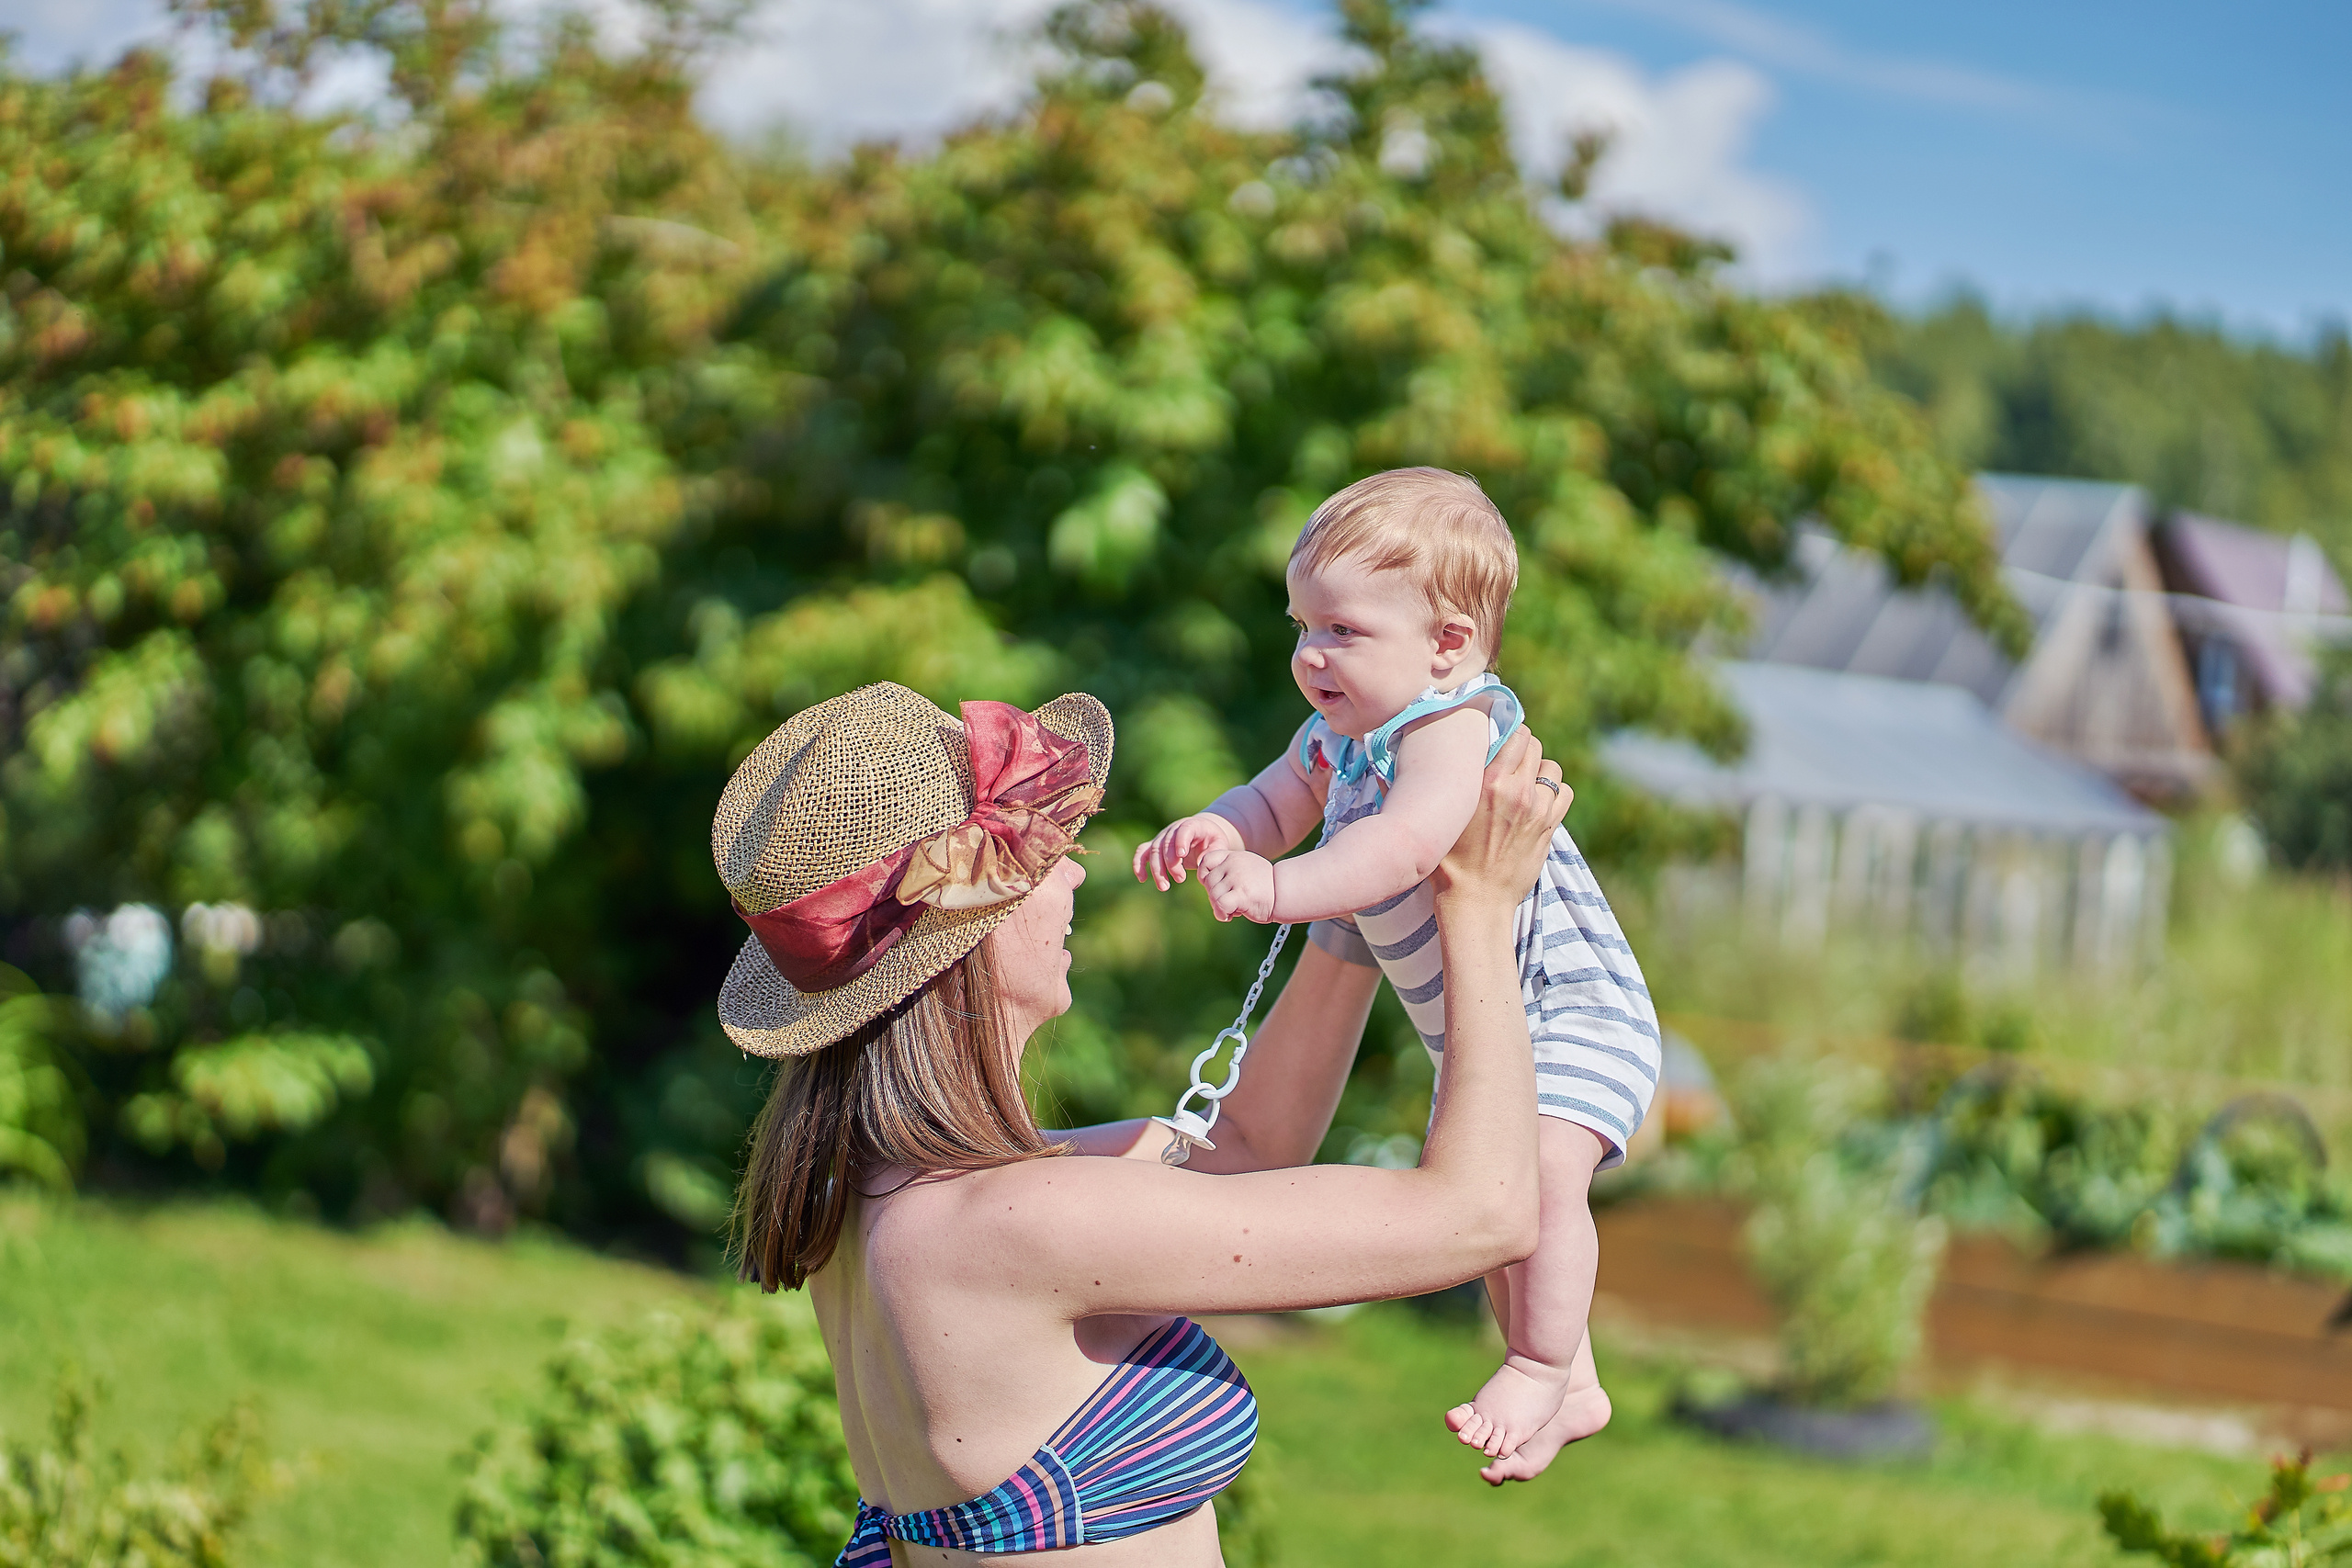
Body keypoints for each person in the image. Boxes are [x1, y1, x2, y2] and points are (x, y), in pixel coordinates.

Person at [718, 680, 1566, 1564]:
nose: (1077, 869)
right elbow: (1486, 1213)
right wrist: (1476, 903)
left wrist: (1357, 901)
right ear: (965, 935)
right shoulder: (1014, 1222)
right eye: (1044, 854)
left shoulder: (888, 1198)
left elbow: (1246, 1150)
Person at [1132, 468, 1661, 1472]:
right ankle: (1572, 1379)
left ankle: (1543, 1364)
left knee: (1540, 1177)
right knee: (1492, 1195)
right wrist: (1217, 830)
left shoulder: (1452, 727)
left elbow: (1406, 849)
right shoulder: (1340, 734)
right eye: (1300, 627)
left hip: (1574, 1012)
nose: (1309, 656)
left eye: (1340, 631)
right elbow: (1269, 801)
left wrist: (1278, 891)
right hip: (1484, 1025)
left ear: (1448, 645)